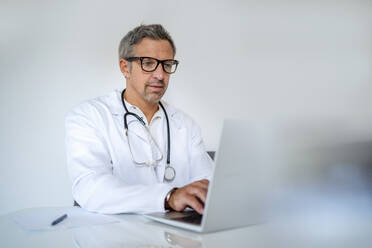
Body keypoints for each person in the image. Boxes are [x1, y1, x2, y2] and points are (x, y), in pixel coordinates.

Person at [65, 24, 213, 215]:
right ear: (125, 68)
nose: (160, 75)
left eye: (167, 65)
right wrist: (168, 197)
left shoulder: (185, 125)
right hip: (114, 239)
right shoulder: (88, 117)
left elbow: (208, 185)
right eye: (149, 63)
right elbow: (89, 188)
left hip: (176, 239)